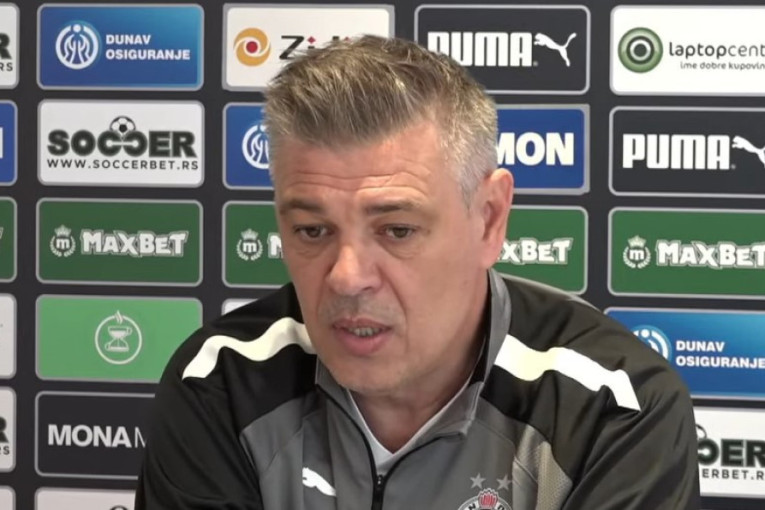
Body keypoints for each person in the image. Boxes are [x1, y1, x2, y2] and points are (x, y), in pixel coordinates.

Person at [135, 35, 700, 509]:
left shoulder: (611, 408)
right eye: (312, 231)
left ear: (489, 219)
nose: (346, 277)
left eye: (397, 230)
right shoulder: (222, 382)